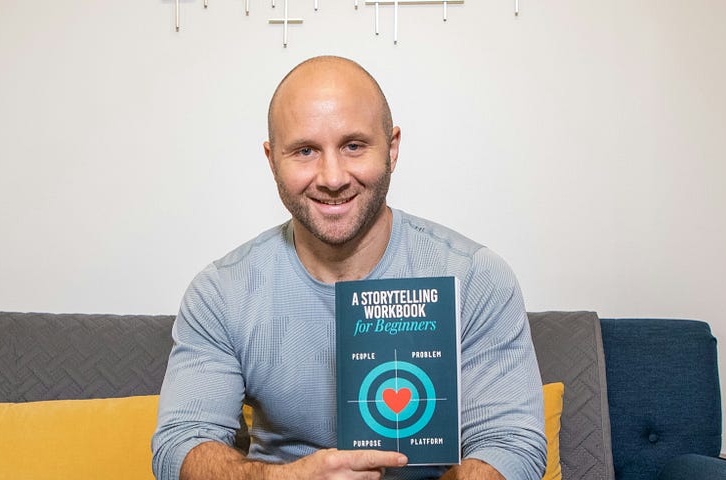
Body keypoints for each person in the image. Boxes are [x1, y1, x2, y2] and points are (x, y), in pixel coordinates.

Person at [151, 55, 545, 480]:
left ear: (392, 149)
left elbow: (511, 446)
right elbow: (181, 444)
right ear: (271, 160)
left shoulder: (474, 277)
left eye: (354, 146)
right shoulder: (221, 292)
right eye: (305, 151)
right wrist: (284, 479)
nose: (333, 177)